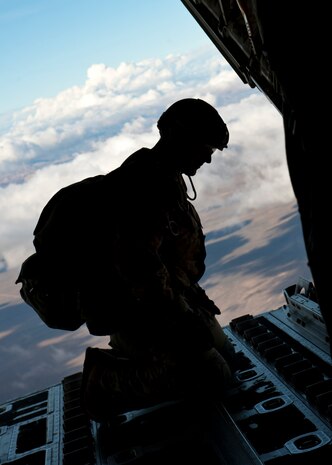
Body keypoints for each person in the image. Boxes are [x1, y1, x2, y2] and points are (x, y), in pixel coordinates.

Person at [81, 98, 243, 422]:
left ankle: (156, 356)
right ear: (178, 137)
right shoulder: (142, 185)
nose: (209, 159)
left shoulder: (166, 176)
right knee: (214, 377)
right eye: (205, 147)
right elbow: (139, 267)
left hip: (167, 298)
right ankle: (104, 382)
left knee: (228, 357)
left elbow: (167, 259)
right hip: (136, 309)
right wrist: (181, 319)